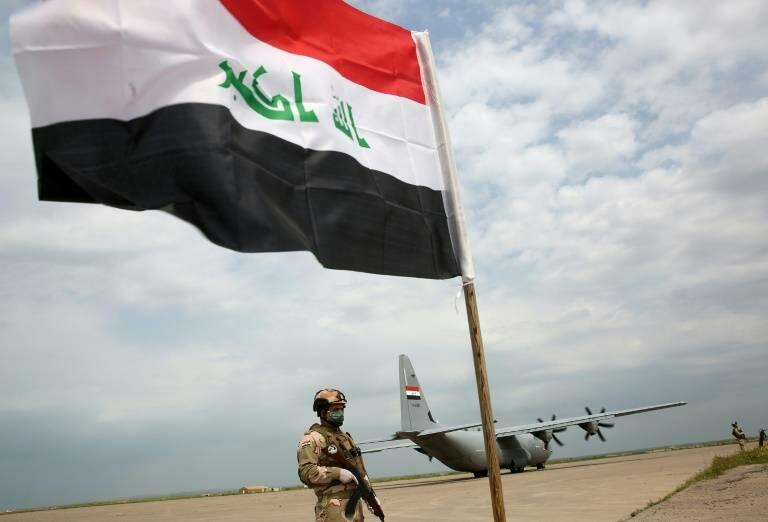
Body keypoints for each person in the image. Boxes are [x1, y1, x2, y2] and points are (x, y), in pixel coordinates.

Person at [297, 388, 380, 522]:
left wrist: (370, 495)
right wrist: (337, 473)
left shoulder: (345, 438)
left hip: (354, 506)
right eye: (335, 410)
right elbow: (306, 472)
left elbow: (360, 470)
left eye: (342, 409)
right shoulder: (312, 439)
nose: (340, 413)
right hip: (331, 508)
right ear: (323, 412)